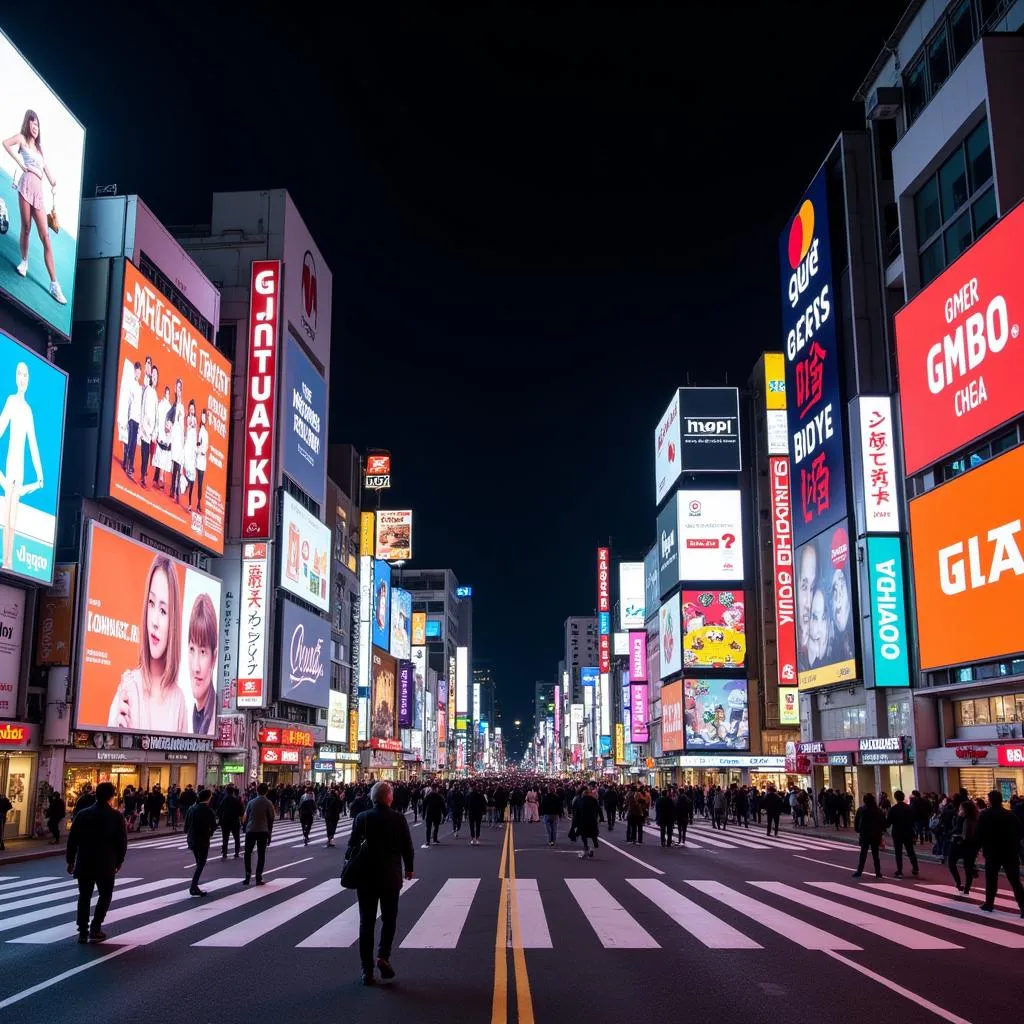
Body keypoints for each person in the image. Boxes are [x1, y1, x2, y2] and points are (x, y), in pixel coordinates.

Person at [107, 553, 187, 732]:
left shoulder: (179, 700)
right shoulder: (128, 687)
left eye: (164, 611)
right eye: (151, 603)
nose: (155, 621)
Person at [345, 780, 414, 985]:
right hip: (390, 876)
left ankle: (366, 970)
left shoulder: (362, 818)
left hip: (365, 876)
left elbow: (351, 847)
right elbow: (407, 846)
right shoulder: (398, 818)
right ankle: (383, 956)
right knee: (389, 919)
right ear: (389, 798)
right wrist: (409, 867)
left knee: (366, 922)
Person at [2, 110, 67, 304]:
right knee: (26, 227)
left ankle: (54, 284)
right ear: (27, 124)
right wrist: (20, 165)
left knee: (45, 236)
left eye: (37, 124)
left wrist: (54, 181)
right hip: (25, 186)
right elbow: (5, 143)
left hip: (39, 191)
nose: (35, 128)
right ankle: (24, 261)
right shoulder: (21, 138)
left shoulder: (40, 149)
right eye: (32, 123)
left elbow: (47, 170)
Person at [65, 781, 127, 943]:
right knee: (105, 894)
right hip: (106, 862)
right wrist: (119, 860)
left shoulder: (83, 814)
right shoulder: (116, 816)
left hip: (85, 861)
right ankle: (96, 927)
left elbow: (73, 840)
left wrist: (70, 860)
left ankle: (83, 931)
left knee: (84, 896)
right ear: (112, 796)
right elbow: (121, 842)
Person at [0, 360, 45, 572]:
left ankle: (8, 560)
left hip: (20, 467)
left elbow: (33, 443)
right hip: (10, 464)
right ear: (15, 377)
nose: (22, 378)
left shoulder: (28, 410)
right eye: (19, 374)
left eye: (25, 375)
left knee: (13, 517)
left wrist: (40, 474)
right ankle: (6, 560)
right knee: (7, 512)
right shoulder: (11, 402)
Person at [976, 789, 1024, 915]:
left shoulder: (985, 815)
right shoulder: (1010, 815)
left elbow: (979, 834)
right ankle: (1023, 907)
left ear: (990, 801)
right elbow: (1020, 832)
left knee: (991, 879)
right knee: (1015, 881)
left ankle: (989, 903)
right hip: (1010, 852)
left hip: (992, 851)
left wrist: (978, 848)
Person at [187, 591, 218, 736]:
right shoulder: (194, 714)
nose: (196, 667)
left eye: (203, 652)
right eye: (192, 649)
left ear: (214, 657)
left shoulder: (216, 718)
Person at [184, 788, 217, 897]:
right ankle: (193, 886)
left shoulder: (191, 808)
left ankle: (194, 886)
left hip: (192, 838)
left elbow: (186, 827)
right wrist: (210, 831)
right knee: (201, 863)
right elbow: (213, 826)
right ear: (208, 798)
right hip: (203, 839)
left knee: (199, 862)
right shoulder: (208, 810)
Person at [242, 781, 275, 885]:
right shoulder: (268, 803)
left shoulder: (251, 802)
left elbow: (245, 817)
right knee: (261, 854)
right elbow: (271, 819)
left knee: (247, 853)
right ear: (266, 791)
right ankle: (258, 877)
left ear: (257, 790)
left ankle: (247, 875)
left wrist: (245, 827)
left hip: (251, 830)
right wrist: (270, 832)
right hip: (263, 830)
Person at [885, 790, 919, 879]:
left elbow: (888, 822)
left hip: (897, 832)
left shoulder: (893, 809)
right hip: (908, 831)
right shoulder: (909, 808)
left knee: (898, 852)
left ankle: (899, 870)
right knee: (910, 850)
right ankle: (915, 868)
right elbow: (913, 819)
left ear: (896, 798)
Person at [852, 793, 885, 880]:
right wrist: (882, 830)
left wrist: (858, 830)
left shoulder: (861, 809)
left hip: (865, 834)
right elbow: (883, 822)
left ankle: (859, 871)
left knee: (863, 853)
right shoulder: (878, 810)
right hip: (876, 834)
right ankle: (878, 872)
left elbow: (856, 822)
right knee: (875, 854)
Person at [139, 361, 158, 488]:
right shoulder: (147, 391)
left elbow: (157, 417)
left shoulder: (156, 395)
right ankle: (142, 476)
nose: (154, 378)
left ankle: (144, 475)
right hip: (144, 428)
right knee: (144, 454)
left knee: (148, 456)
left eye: (156, 376)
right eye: (153, 375)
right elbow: (142, 408)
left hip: (151, 432)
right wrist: (142, 426)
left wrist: (154, 432)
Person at [573, 783, 601, 859]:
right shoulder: (594, 801)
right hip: (592, 819)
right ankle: (594, 844)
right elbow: (598, 809)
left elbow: (577, 811)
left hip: (583, 820)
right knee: (593, 833)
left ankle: (586, 847)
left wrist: (575, 821)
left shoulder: (581, 801)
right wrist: (601, 817)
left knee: (584, 835)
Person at [218, 784, 243, 859]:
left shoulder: (223, 800)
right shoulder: (237, 800)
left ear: (226, 791)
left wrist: (220, 820)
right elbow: (241, 812)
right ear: (233, 792)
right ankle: (237, 852)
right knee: (236, 838)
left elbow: (219, 811)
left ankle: (224, 853)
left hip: (225, 821)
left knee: (225, 838)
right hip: (235, 821)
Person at [183, 400, 198, 511]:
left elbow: (195, 434)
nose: (192, 410)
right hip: (187, 448)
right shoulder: (188, 418)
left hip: (193, 451)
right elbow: (187, 431)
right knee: (185, 470)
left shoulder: (195, 420)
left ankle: (190, 504)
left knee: (192, 478)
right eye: (191, 408)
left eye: (193, 409)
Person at [195, 408, 209, 513]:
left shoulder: (205, 432)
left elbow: (204, 447)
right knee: (194, 480)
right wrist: (199, 450)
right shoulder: (201, 431)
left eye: (205, 416)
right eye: (203, 416)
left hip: (202, 461)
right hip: (198, 459)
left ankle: (198, 503)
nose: (204, 418)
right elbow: (198, 444)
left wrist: (202, 450)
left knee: (200, 482)